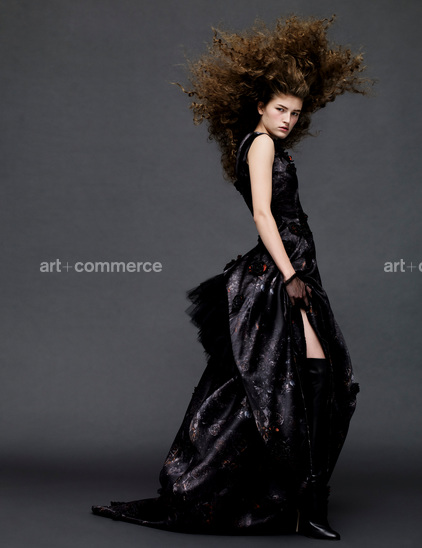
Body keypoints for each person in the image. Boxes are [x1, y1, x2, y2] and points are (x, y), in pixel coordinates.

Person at [92, 15, 371, 540]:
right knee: (300, 377)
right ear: (260, 106)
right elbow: (263, 214)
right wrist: (290, 275)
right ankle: (307, 505)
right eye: (280, 109)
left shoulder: (270, 144)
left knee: (299, 377)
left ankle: (302, 500)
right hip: (279, 271)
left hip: (295, 266)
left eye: (295, 112)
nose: (288, 119)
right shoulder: (260, 144)